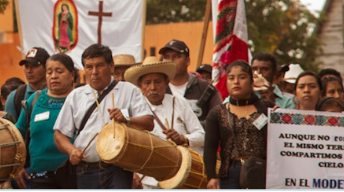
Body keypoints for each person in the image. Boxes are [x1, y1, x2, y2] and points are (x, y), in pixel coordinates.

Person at [53, 44, 154, 189]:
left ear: (111, 66)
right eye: (89, 67)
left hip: (118, 169)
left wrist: (127, 120)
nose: (94, 72)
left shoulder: (129, 90)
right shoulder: (76, 95)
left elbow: (149, 123)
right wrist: (72, 151)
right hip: (85, 170)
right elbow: (59, 135)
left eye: (99, 65)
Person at [125, 56, 205, 189]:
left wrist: (182, 138)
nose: (153, 87)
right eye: (147, 83)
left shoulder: (179, 102)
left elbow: (202, 135)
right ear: (140, 85)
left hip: (179, 176)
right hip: (147, 181)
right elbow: (127, 146)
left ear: (166, 82)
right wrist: (133, 173)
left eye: (157, 82)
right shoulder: (133, 108)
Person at [14, 53, 78, 189]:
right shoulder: (35, 100)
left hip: (75, 176)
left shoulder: (81, 99)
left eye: (59, 71)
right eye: (49, 72)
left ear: (72, 74)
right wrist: (17, 165)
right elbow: (16, 134)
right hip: (39, 178)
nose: (53, 76)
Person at [204, 60, 271, 189]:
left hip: (260, 170)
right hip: (230, 173)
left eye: (242, 77)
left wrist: (279, 117)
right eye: (231, 78)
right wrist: (211, 177)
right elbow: (210, 148)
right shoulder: (217, 113)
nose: (236, 82)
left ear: (252, 82)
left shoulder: (267, 108)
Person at [159, 39, 222, 129]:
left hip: (200, 143)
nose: (170, 61)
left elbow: (219, 118)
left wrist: (191, 129)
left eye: (176, 56)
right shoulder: (157, 88)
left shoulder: (205, 88)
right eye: (166, 57)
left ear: (188, 61)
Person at [6, 47, 49, 122]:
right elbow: (10, 130)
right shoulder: (14, 97)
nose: (29, 71)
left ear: (46, 67)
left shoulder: (56, 93)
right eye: (26, 66)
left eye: (34, 66)